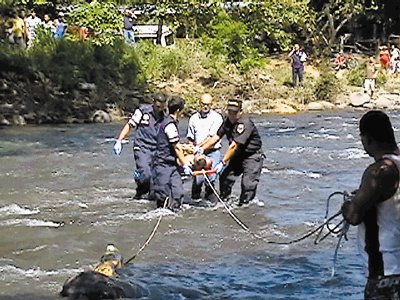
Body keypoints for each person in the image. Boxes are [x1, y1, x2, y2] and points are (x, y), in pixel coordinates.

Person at [342, 110, 400, 300]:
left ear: (366, 139)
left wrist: (348, 204)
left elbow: (354, 215)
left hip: (387, 274)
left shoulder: (379, 171)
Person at [200, 99, 264, 206]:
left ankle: (246, 207)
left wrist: (223, 162)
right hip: (237, 156)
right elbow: (216, 137)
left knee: (247, 184)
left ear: (240, 112)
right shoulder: (227, 122)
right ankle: (224, 201)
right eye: (229, 112)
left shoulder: (245, 123)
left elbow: (234, 145)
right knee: (225, 178)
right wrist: (202, 149)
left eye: (234, 113)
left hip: (252, 156)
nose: (231, 115)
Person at [113, 94, 167, 199]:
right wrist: (119, 140)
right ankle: (138, 177)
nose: (159, 109)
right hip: (142, 147)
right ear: (153, 103)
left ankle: (145, 195)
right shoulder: (142, 111)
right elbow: (130, 125)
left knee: (154, 189)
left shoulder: (165, 116)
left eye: (161, 107)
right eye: (157, 106)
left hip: (156, 150)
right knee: (145, 175)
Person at [152, 96, 189, 211]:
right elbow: (176, 147)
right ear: (178, 111)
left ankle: (174, 213)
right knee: (163, 196)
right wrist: (185, 164)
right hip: (162, 165)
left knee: (178, 193)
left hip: (172, 165)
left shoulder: (168, 122)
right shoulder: (170, 125)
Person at [186, 93, 223, 202]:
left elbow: (212, 138)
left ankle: (210, 199)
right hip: (197, 153)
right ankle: (195, 200)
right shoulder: (193, 118)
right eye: (203, 104)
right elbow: (190, 138)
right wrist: (192, 151)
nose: (205, 107)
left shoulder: (217, 118)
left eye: (208, 104)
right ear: (199, 103)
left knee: (211, 177)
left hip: (213, 151)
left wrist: (200, 147)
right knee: (198, 179)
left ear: (211, 104)